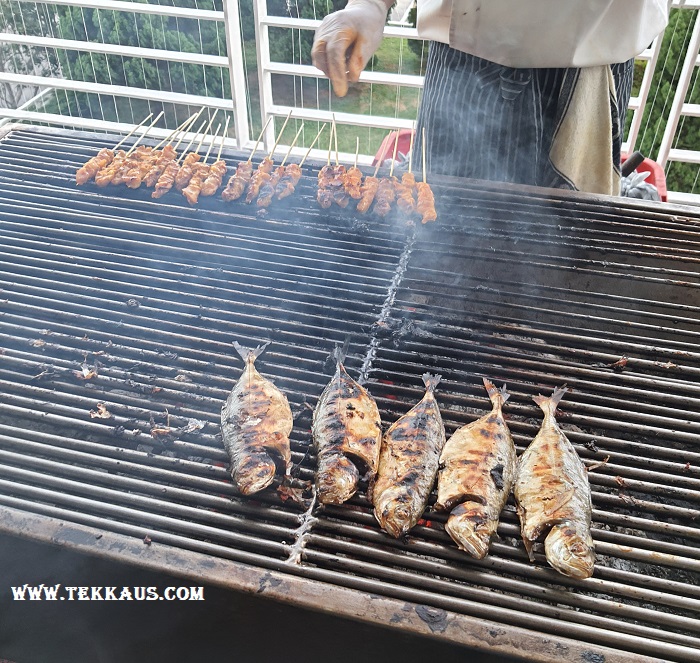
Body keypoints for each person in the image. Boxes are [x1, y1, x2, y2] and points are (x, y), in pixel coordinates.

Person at [311, 1, 671, 195]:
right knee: (429, 239)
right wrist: (370, 5)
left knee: (565, 260)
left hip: (587, 70)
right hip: (460, 60)